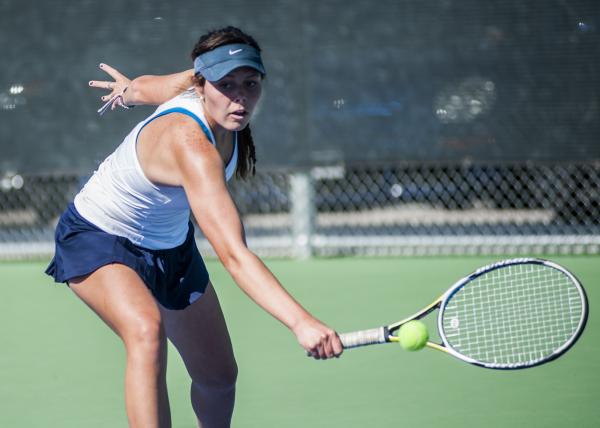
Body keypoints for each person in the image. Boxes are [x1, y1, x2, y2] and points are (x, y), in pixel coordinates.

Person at [46, 26, 343, 428]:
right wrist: (301, 321)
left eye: (250, 83)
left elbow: (149, 86)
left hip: (171, 248)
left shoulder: (200, 87)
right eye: (226, 85)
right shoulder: (191, 145)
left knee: (219, 378)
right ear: (202, 85)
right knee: (146, 332)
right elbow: (235, 256)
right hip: (99, 237)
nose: (239, 96)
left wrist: (130, 90)